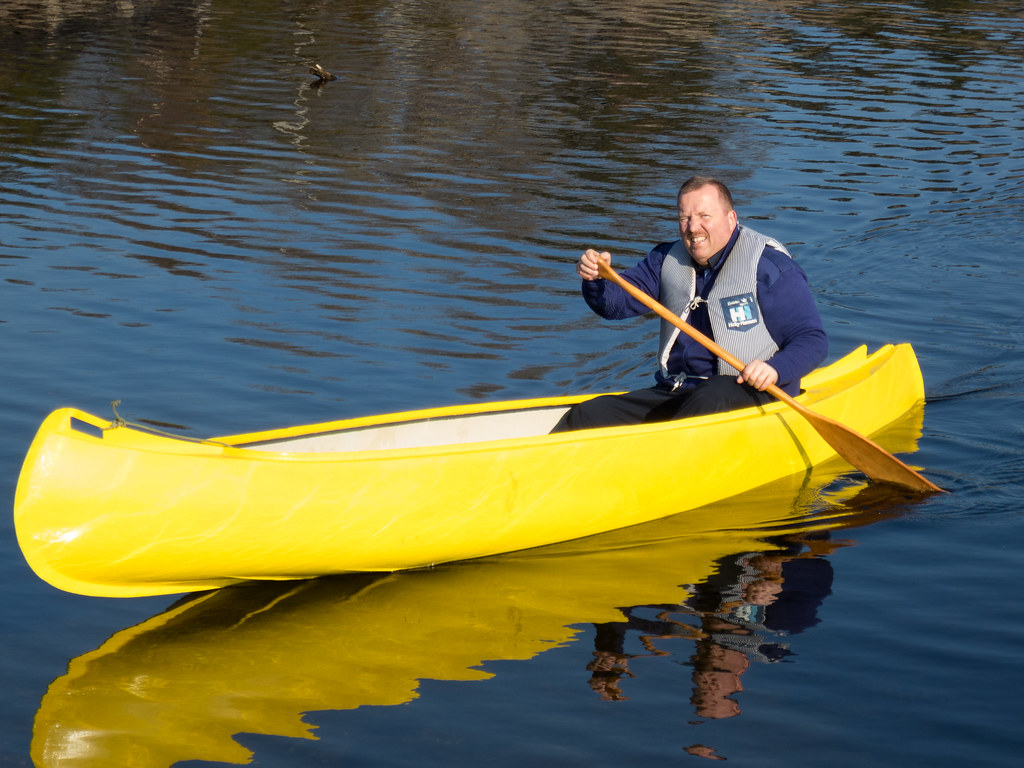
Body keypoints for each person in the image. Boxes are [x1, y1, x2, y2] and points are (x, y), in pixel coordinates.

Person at [551, 176, 828, 432]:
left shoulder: (770, 267)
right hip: (679, 391)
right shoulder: (666, 260)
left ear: (731, 218)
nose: (693, 227)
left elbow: (812, 340)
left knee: (708, 399)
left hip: (750, 392)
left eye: (704, 216)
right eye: (685, 218)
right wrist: (597, 279)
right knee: (588, 414)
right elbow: (614, 305)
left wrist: (775, 368)